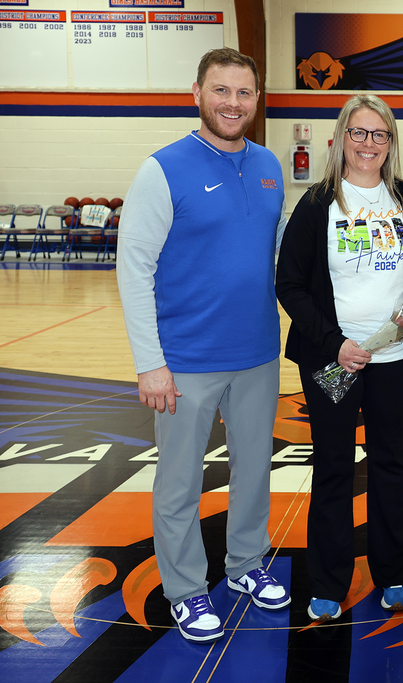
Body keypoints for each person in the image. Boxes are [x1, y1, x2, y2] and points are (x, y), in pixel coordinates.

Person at [117, 48, 290, 643]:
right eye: (221, 91)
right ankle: (187, 589)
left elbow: (268, 258)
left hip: (258, 354)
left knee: (254, 472)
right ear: (197, 93)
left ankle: (245, 565)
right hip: (184, 361)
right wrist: (150, 364)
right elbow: (133, 267)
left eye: (244, 93)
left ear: (257, 98)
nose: (232, 104)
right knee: (179, 482)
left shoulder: (269, 165)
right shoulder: (162, 169)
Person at [276, 96, 403, 621]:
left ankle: (391, 573)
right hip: (332, 359)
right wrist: (335, 341)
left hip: (396, 356)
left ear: (391, 143)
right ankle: (330, 580)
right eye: (358, 133)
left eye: (379, 135)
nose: (368, 144)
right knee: (334, 465)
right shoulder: (317, 203)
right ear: (340, 138)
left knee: (390, 462)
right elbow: (289, 284)